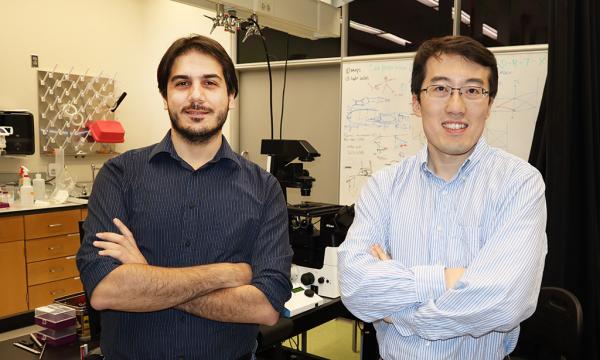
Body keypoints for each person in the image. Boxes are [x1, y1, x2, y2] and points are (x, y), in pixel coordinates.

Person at [76, 35, 293, 359]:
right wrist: (227, 274)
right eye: (181, 83)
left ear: (231, 95)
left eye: (210, 83)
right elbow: (105, 290)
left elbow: (265, 307)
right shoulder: (119, 175)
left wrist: (145, 274)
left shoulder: (264, 189)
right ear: (165, 95)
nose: (196, 96)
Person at [338, 35, 547, 360]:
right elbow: (355, 285)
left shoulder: (519, 184)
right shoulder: (384, 186)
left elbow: (505, 300)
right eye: (440, 88)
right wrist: (450, 279)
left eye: (473, 91)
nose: (456, 106)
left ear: (489, 103)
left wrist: (397, 313)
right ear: (416, 102)